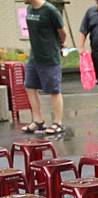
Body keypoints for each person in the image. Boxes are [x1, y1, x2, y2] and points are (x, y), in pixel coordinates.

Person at [21, 0, 67, 135]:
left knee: (54, 90)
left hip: (49, 57)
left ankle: (58, 123)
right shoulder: (29, 9)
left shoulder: (50, 10)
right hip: (34, 55)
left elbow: (62, 33)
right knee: (30, 86)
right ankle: (38, 120)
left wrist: (59, 45)